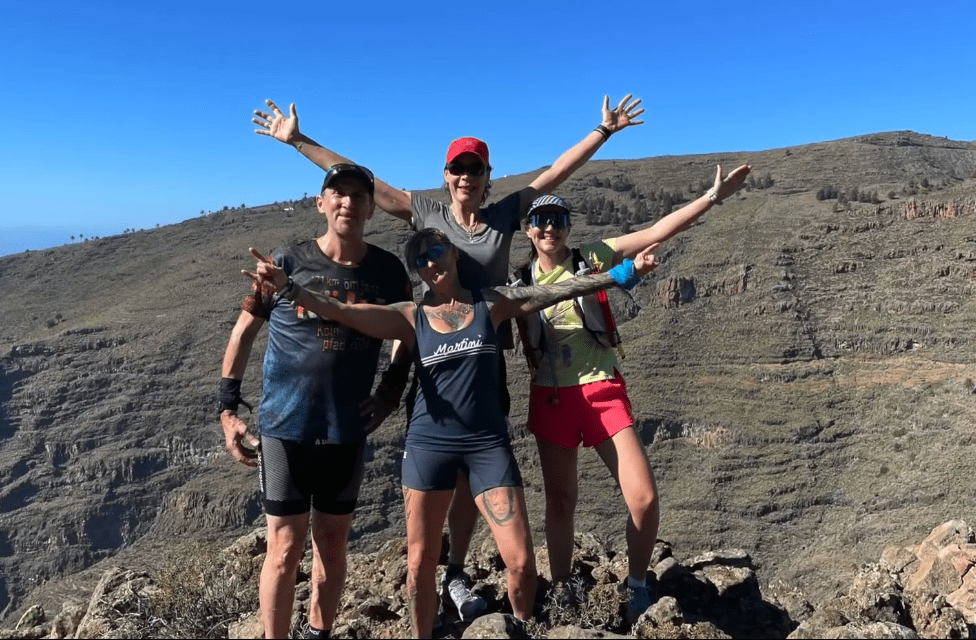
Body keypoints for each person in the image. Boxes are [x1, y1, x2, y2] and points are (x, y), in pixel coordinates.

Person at [251, 94, 645, 619]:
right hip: (435, 353)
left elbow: (554, 174)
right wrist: (299, 141)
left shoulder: (503, 214)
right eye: (458, 168)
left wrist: (603, 132)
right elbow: (364, 183)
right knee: (446, 465)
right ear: (446, 175)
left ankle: (457, 570)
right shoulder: (428, 213)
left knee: (475, 468)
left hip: (485, 351)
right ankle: (441, 579)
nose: (465, 177)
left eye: (475, 169)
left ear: (487, 176)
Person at [244, 227, 660, 638]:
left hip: (487, 446)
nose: (430, 262)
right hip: (428, 447)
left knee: (521, 564)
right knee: (419, 564)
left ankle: (523, 629)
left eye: (436, 251)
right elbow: (342, 311)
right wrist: (290, 289)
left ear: (454, 254)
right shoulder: (410, 316)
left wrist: (621, 274)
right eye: (419, 259)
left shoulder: (490, 303)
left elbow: (557, 290)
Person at [512, 163, 751, 618]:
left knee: (643, 498)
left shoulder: (591, 257)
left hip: (602, 392)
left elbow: (656, 230)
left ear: (568, 227)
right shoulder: (520, 282)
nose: (549, 228)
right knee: (560, 503)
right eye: (540, 221)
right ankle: (562, 592)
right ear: (528, 230)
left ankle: (637, 585)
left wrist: (711, 198)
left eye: (558, 220)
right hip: (552, 396)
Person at [218, 163, 412, 639]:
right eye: (337, 193)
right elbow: (244, 331)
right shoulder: (288, 260)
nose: (348, 202)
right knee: (283, 548)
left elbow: (408, 332)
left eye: (358, 196)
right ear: (320, 203)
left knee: (332, 545)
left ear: (371, 208)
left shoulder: (388, 272)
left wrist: (390, 391)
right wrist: (227, 409)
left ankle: (318, 633)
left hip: (345, 429)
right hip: (285, 426)